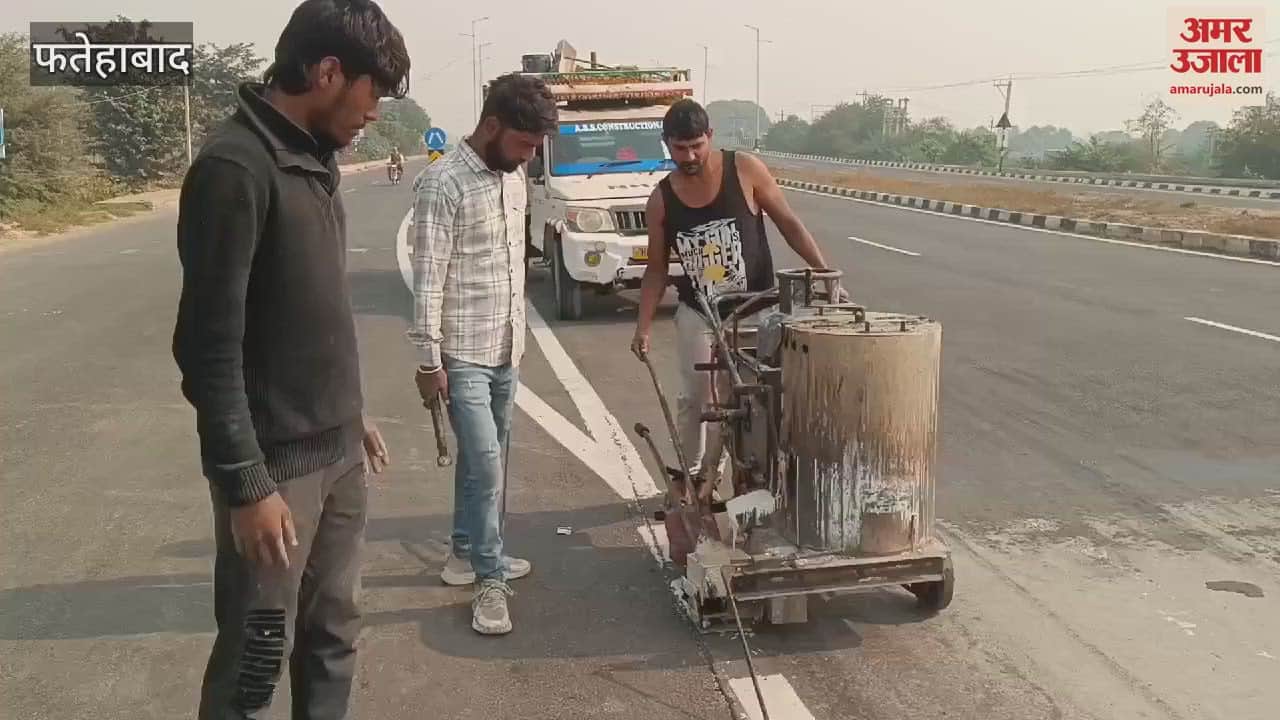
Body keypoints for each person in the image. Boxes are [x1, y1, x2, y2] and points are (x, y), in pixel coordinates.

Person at [171, 1, 408, 717]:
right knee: (255, 660)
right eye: (371, 96)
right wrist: (247, 484)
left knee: (334, 637)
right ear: (327, 71)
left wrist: (351, 413)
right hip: (277, 469)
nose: (372, 115)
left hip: (337, 454)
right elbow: (207, 347)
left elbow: (310, 317)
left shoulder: (314, 162)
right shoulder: (235, 168)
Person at [407, 72, 558, 636]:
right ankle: (490, 581)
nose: (528, 156)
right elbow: (428, 281)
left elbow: (513, 264)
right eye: (523, 143)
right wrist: (429, 361)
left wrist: (518, 337)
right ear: (491, 125)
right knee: (487, 464)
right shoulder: (441, 184)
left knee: (484, 461)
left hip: (505, 346)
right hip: (461, 351)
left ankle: (462, 552)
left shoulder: (513, 177)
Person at [630, 98, 838, 500]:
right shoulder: (661, 200)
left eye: (696, 145)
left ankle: (733, 475)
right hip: (699, 312)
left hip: (755, 310)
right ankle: (689, 480)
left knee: (746, 400)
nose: (689, 156)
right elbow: (656, 269)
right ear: (666, 145)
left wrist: (824, 273)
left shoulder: (744, 170)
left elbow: (789, 224)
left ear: (710, 137)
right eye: (679, 148)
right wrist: (642, 329)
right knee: (695, 398)